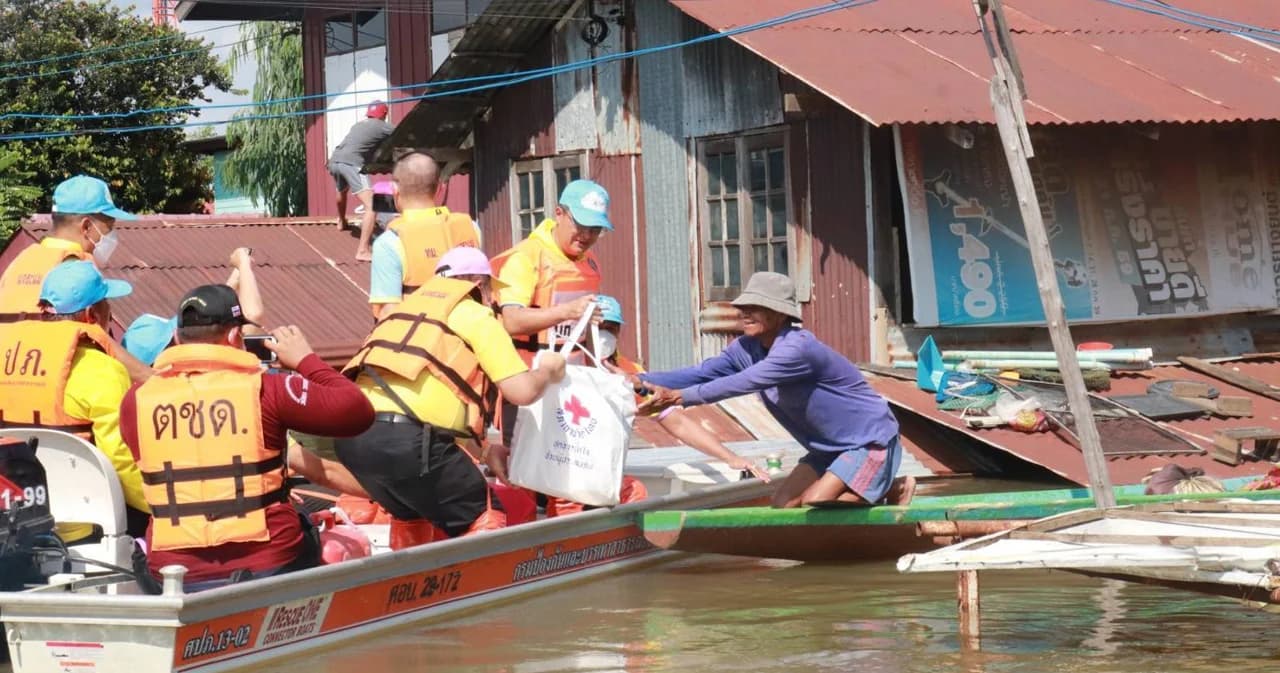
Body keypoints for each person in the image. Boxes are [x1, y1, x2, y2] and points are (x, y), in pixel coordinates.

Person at [118, 284, 375, 590]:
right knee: (320, 533)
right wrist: (305, 360)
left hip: (173, 573)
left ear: (177, 340)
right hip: (270, 562)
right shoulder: (268, 389)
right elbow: (357, 410)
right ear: (234, 338)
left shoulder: (136, 401)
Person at [336, 246, 567, 549]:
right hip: (409, 443)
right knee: (484, 514)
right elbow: (522, 391)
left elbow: (426, 405)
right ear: (478, 284)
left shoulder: (400, 313)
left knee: (411, 514)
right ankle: (487, 590)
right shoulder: (475, 314)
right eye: (488, 289)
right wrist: (548, 371)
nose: (491, 299)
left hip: (352, 441)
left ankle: (409, 585)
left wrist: (484, 452)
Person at [636, 272, 916, 508]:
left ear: (780, 314)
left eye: (755, 306)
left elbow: (747, 381)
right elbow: (701, 373)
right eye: (744, 306)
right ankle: (862, 493)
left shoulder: (796, 349)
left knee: (816, 501)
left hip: (867, 440)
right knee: (783, 503)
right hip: (825, 448)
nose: (745, 312)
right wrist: (638, 380)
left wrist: (679, 397)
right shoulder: (745, 348)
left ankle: (894, 489)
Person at [0, 261, 151, 540]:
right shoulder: (102, 370)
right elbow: (120, 461)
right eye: (107, 304)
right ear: (93, 314)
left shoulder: (7, 360)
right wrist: (158, 505)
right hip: (89, 523)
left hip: (17, 517)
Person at [594, 295, 770, 483]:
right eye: (598, 328)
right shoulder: (562, 365)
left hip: (603, 472)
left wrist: (731, 458)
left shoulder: (629, 374)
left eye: (610, 329)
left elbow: (677, 422)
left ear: (619, 331)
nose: (604, 335)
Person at [0, 175, 151, 384]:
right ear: (87, 226)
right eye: (109, 227)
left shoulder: (20, 261)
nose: (111, 237)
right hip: (62, 394)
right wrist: (153, 378)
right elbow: (100, 342)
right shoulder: (76, 271)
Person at [368, 152, 481, 319]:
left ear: (394, 191)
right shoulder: (470, 227)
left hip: (421, 337)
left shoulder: (390, 242)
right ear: (441, 189)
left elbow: (389, 312)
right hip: (468, 333)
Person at [121, 247, 266, 366]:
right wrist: (244, 265)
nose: (190, 335)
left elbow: (213, 312)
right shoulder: (215, 368)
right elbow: (252, 316)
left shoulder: (152, 390)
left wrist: (237, 276)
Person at [328, 101, 394, 261]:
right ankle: (363, 250)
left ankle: (342, 221)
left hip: (334, 160)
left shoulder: (358, 125)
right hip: (351, 163)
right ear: (384, 114)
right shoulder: (382, 126)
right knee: (372, 205)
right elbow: (403, 134)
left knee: (341, 190)